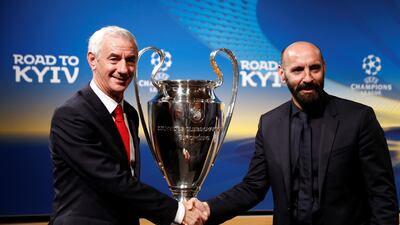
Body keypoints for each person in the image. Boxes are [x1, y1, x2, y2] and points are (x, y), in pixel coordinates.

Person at [191, 41, 399, 225]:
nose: (307, 77)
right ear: (282, 74)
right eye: (297, 70)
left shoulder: (359, 118)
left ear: (324, 69)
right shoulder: (269, 123)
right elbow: (253, 187)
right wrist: (209, 209)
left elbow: (382, 194)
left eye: (314, 68)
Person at [49, 26, 207, 225]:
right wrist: (179, 212)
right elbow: (112, 180)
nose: (123, 69)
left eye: (130, 60)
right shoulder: (71, 115)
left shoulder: (129, 113)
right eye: (114, 59)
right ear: (92, 60)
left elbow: (127, 176)